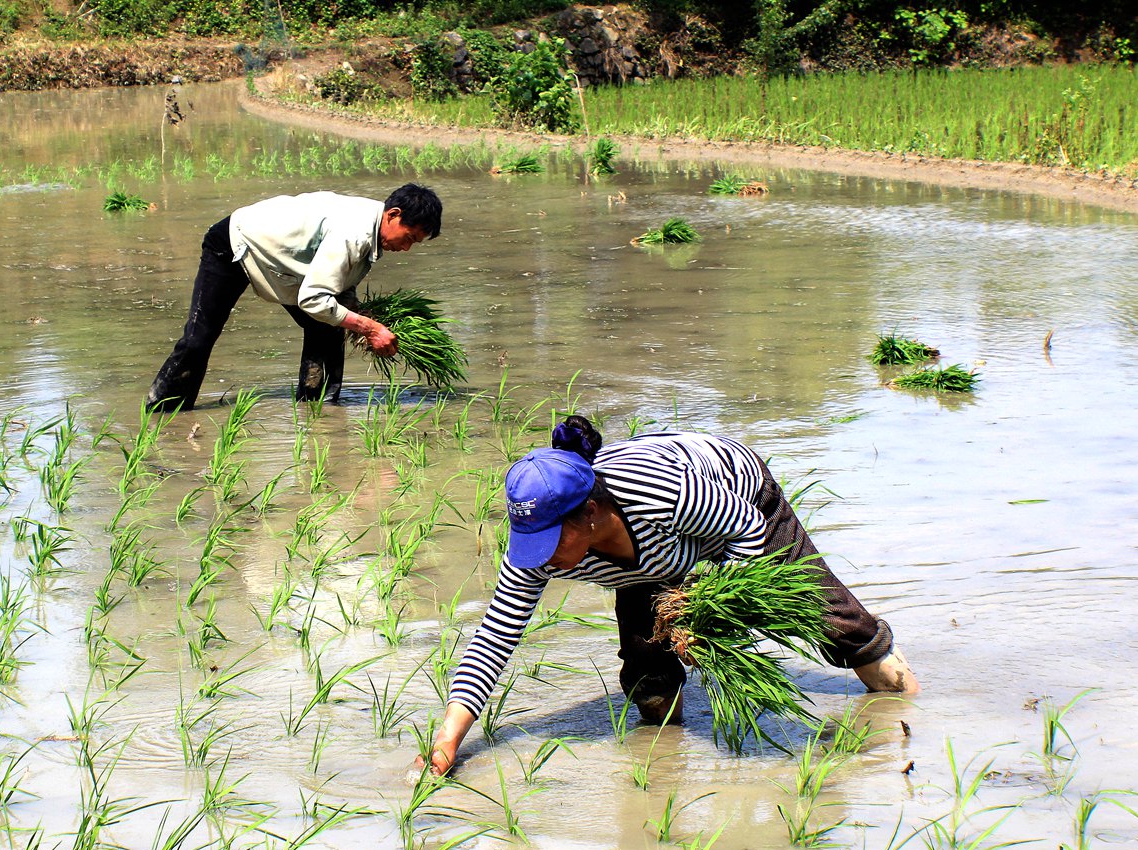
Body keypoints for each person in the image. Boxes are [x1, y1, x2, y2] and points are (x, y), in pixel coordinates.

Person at [422, 415, 919, 776]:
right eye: (532, 544)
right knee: (649, 675)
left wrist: (709, 618)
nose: (543, 558)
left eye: (552, 542)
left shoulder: (663, 492)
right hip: (647, 556)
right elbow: (494, 637)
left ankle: (914, 718)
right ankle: (663, 776)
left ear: (590, 513)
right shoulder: (539, 553)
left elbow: (746, 534)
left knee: (830, 620)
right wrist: (449, 738)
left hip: (738, 493)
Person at [144, 184, 442, 412]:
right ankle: (164, 412)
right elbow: (314, 300)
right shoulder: (354, 234)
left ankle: (319, 412)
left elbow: (337, 287)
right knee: (199, 338)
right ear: (393, 215)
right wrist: (370, 328)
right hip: (235, 244)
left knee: (327, 328)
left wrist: (357, 316)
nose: (406, 249)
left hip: (285, 261)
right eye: (409, 238)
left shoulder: (374, 230)